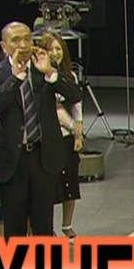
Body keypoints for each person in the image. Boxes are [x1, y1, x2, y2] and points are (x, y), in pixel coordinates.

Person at [0, 21, 82, 239]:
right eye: (16, 40)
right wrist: (15, 79)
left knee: (43, 226)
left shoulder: (43, 68)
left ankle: (42, 262)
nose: (23, 45)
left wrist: (51, 73)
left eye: (27, 39)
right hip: (13, 160)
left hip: (43, 158)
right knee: (15, 228)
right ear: (4, 46)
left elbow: (75, 95)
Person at [39, 32, 83, 239]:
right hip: (47, 138)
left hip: (67, 137)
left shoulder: (69, 77)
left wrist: (78, 135)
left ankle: (67, 225)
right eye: (50, 49)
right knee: (47, 188)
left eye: (58, 49)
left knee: (69, 184)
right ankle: (44, 228)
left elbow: (77, 105)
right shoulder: (39, 78)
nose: (55, 53)